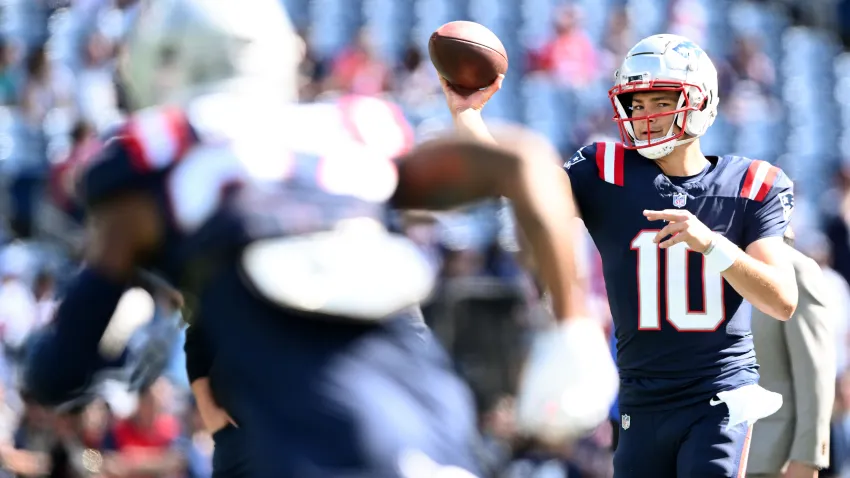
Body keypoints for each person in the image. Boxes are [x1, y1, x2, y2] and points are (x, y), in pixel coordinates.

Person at [22, 0, 618, 476]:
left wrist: (111, 346)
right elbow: (524, 160)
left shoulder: (155, 163)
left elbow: (53, 375)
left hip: (314, 443)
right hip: (436, 425)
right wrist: (576, 327)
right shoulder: (345, 130)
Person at [446, 33, 798, 477]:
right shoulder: (605, 172)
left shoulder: (752, 184)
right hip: (640, 398)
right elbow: (522, 186)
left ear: (702, 100)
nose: (646, 116)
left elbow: (782, 300)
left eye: (660, 100)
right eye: (638, 104)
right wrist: (468, 116)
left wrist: (712, 244)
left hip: (719, 393)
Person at [748, 228, 835, 478]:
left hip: (772, 460)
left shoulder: (796, 270)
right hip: (710, 453)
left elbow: (815, 372)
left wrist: (808, 458)